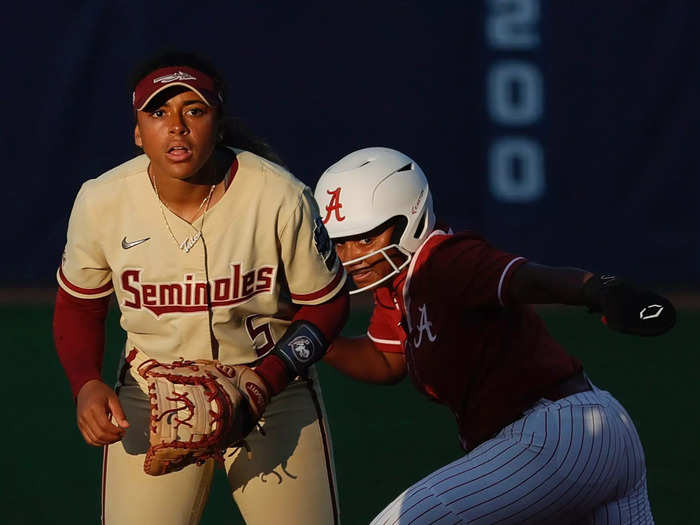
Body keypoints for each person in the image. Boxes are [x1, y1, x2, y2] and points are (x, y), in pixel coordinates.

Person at [53, 50, 348, 525]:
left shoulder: (279, 195)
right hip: (152, 392)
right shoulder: (101, 201)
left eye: (194, 110)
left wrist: (267, 379)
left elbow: (328, 305)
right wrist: (85, 382)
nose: (176, 125)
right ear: (137, 132)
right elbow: (78, 307)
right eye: (158, 112)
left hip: (271, 388)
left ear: (218, 122)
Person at [314, 146, 674, 524]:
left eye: (365, 239)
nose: (351, 254)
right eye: (340, 242)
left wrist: (597, 289)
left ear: (410, 218)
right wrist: (314, 334)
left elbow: (525, 278)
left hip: (556, 435)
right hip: (596, 431)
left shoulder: (444, 260)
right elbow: (386, 361)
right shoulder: (399, 283)